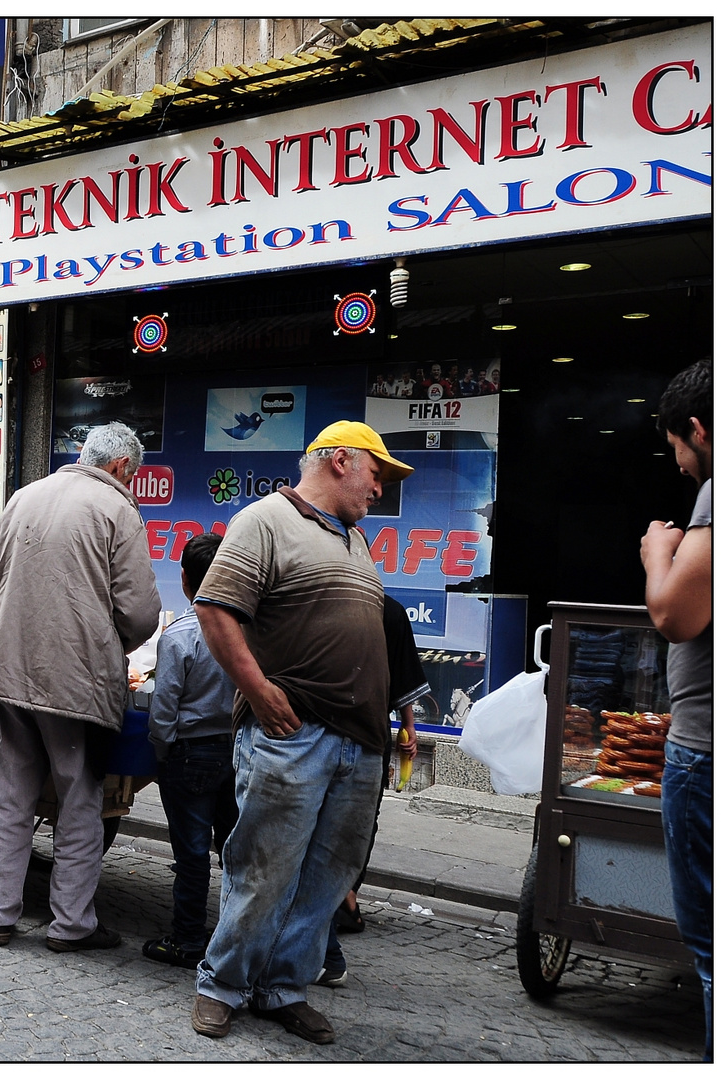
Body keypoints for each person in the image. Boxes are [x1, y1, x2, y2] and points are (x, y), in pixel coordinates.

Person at [190, 420, 412, 1045]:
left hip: (357, 741)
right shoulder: (265, 520)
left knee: (328, 877)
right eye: (377, 473)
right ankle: (222, 984)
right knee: (264, 865)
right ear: (340, 460)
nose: (380, 488)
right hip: (293, 735)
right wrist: (258, 691)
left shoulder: (355, 540)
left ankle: (282, 988)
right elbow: (214, 608)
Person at [0, 422, 161, 952]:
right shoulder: (118, 510)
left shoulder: (24, 496)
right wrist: (106, 638)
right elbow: (141, 613)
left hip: (8, 669)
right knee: (79, 800)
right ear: (122, 467)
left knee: (9, 796)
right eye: (134, 474)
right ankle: (71, 924)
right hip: (75, 682)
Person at [640, 357, 711, 1060]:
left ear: (695, 429)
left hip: (707, 751)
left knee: (714, 944)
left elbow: (674, 614)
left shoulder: (716, 494)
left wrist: (657, 552)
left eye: (676, 448)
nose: (680, 466)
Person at [317, 592, 429, 987]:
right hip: (332, 731)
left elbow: (402, 675)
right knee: (352, 821)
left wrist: (409, 725)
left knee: (360, 820)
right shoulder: (328, 599)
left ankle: (344, 892)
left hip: (365, 732)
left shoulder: (390, 611)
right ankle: (341, 897)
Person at [141, 532, 238, 970]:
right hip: (235, 752)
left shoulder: (179, 635)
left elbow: (164, 709)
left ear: (184, 579)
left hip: (190, 754)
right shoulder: (245, 630)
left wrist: (162, 752)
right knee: (236, 851)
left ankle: (186, 939)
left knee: (192, 853)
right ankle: (235, 938)